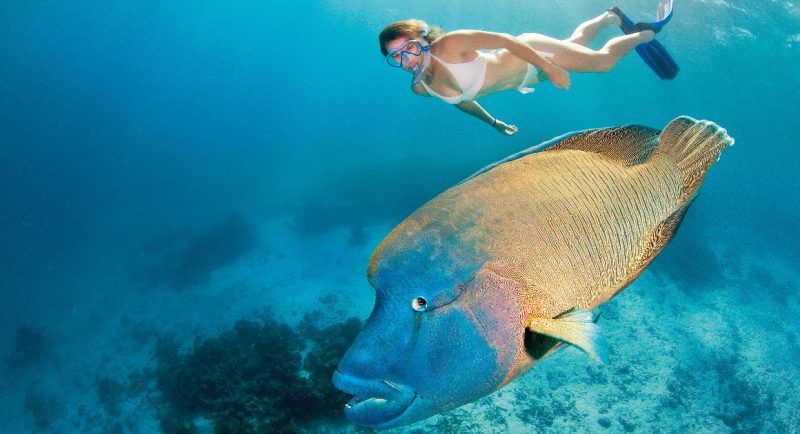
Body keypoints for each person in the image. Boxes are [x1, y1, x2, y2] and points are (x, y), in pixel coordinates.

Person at [379, 2, 676, 136]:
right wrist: (494, 123)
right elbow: (463, 102)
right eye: (397, 57)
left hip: (530, 56)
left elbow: (506, 40)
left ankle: (646, 33)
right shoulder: (421, 88)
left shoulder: (451, 44)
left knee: (602, 63)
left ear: (424, 40)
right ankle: (609, 16)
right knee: (575, 43)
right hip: (531, 75)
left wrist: (550, 67)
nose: (408, 60)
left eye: (411, 48)